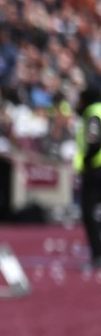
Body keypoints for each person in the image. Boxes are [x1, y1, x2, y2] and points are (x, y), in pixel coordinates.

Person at [76, 85, 101, 269]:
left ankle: (97, 254)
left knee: (89, 213)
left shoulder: (93, 113)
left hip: (95, 169)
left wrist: (85, 161)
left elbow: (93, 140)